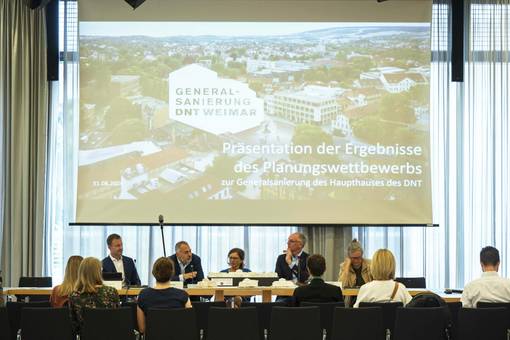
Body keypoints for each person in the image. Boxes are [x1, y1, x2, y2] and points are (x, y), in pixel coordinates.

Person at [137, 257, 192, 334]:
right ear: (172, 273)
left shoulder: (143, 295)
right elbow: (189, 325)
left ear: (153, 273)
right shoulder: (183, 295)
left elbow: (142, 329)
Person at [69, 257, 120, 333]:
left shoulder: (74, 295)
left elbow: (73, 324)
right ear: (98, 272)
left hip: (86, 335)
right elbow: (118, 319)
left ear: (81, 272)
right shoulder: (111, 291)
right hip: (110, 334)